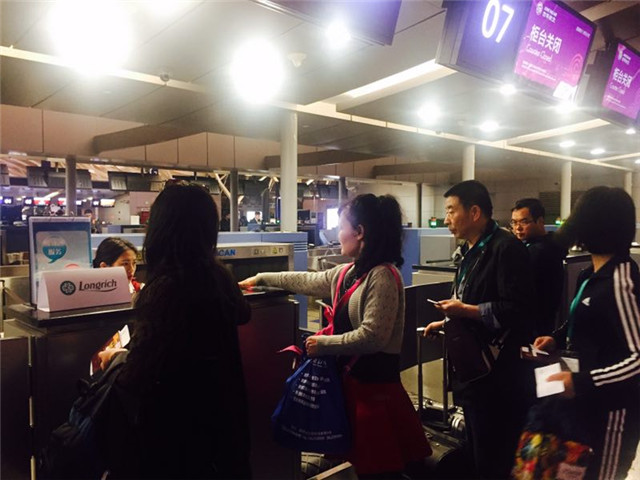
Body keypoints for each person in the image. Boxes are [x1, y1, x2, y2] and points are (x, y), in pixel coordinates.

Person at [240, 194, 430, 478]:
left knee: (381, 472)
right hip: (352, 391)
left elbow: (373, 337)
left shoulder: (383, 276)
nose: (338, 234)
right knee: (367, 470)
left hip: (376, 396)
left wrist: (323, 344)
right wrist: (261, 278)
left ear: (360, 232)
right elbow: (306, 280)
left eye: (342, 226)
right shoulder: (347, 273)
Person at [103, 182, 252, 479]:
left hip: (175, 437)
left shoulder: (165, 288)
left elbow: (139, 374)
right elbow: (242, 314)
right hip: (223, 426)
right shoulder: (219, 278)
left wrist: (116, 359)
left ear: (160, 229)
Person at [423, 180, 536, 479]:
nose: (446, 219)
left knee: (494, 456)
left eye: (451, 211)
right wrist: (447, 321)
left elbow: (517, 309)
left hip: (498, 378)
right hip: (472, 374)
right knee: (476, 451)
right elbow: (471, 300)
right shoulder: (469, 251)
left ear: (474, 212)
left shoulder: (505, 248)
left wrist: (465, 311)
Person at [533, 186, 640, 480]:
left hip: (613, 413)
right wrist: (556, 337)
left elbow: (637, 359)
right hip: (585, 405)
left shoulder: (621, 280)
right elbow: (585, 321)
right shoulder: (589, 274)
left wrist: (581, 382)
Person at [511, 198, 566, 336]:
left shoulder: (539, 251)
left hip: (533, 324)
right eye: (514, 222)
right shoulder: (549, 244)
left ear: (540, 221)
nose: (518, 228)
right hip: (542, 321)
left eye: (524, 222)